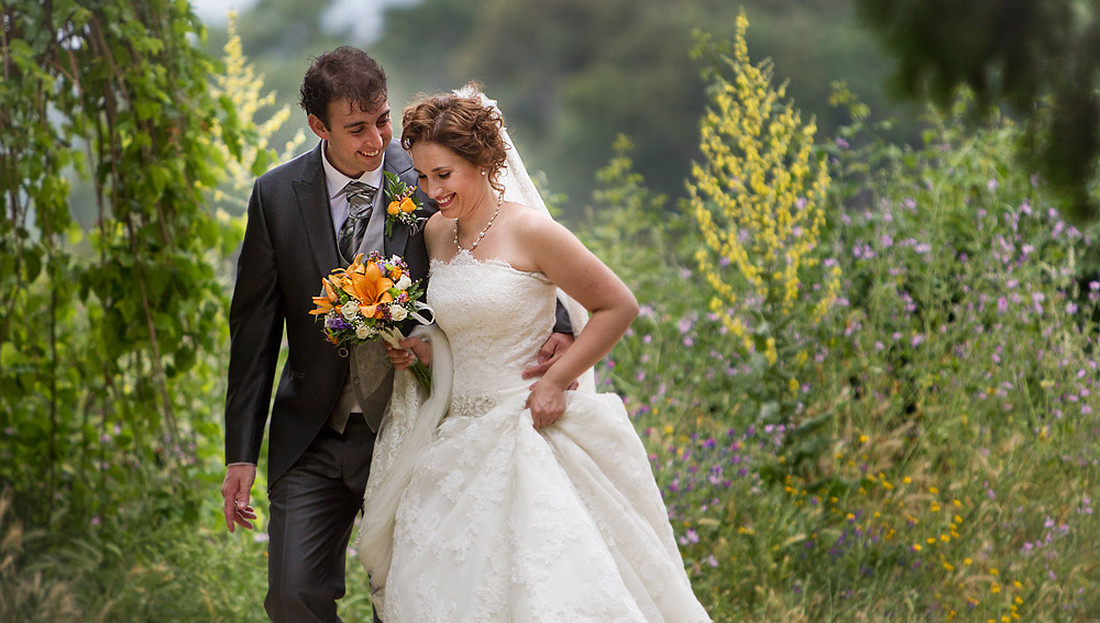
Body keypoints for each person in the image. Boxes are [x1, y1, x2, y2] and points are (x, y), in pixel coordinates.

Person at [220, 50, 573, 622]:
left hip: (414, 422)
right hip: (313, 432)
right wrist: (241, 454)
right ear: (318, 126)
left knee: (414, 597)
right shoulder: (276, 196)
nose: (376, 140)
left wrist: (555, 321)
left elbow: (496, 248)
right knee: (292, 598)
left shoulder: (431, 174)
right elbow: (254, 333)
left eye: (382, 120)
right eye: (356, 128)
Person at [355, 87, 711, 622]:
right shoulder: (434, 233)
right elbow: (460, 330)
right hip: (454, 438)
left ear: (482, 161)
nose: (432, 190)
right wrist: (422, 351)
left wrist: (555, 379)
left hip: (525, 429)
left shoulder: (533, 231)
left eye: (444, 175)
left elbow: (617, 306)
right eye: (424, 176)